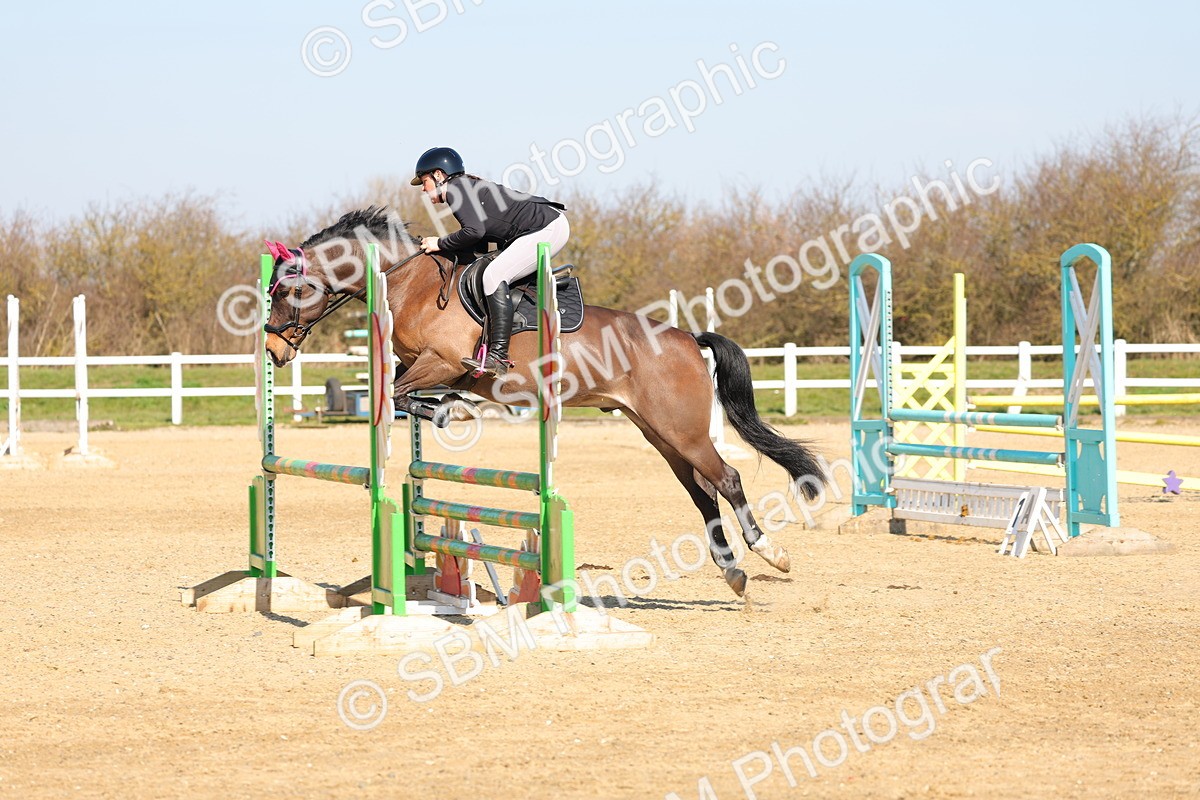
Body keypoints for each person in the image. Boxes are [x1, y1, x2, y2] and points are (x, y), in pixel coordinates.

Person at [411, 146, 569, 377]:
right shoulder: (463, 187)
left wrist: (440, 243)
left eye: (424, 182)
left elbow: (474, 232)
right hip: (545, 226)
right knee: (488, 270)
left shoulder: (456, 189)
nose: (424, 189)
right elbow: (481, 240)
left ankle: (498, 357)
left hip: (546, 228)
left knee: (494, 276)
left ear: (438, 175)